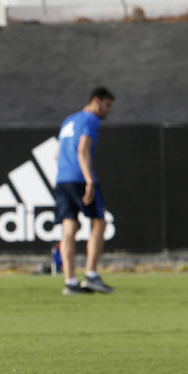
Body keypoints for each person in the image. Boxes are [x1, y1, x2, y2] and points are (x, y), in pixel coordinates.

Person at [54, 87, 115, 296]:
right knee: (99, 222)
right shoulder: (91, 120)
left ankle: (70, 281)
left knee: (69, 228)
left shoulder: (69, 120)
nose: (108, 110)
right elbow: (82, 150)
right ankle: (91, 275)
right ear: (96, 101)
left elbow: (57, 153)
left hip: (62, 179)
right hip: (80, 178)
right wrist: (89, 181)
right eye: (107, 105)